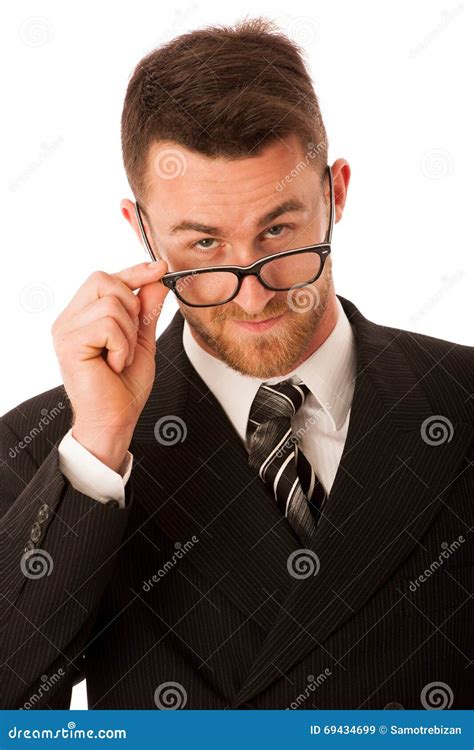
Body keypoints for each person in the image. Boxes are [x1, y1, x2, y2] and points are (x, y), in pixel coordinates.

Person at [1, 17, 472, 711]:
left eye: (279, 231)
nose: (252, 293)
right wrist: (98, 447)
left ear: (336, 193)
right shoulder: (50, 448)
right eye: (203, 245)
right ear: (142, 231)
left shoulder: (459, 402)